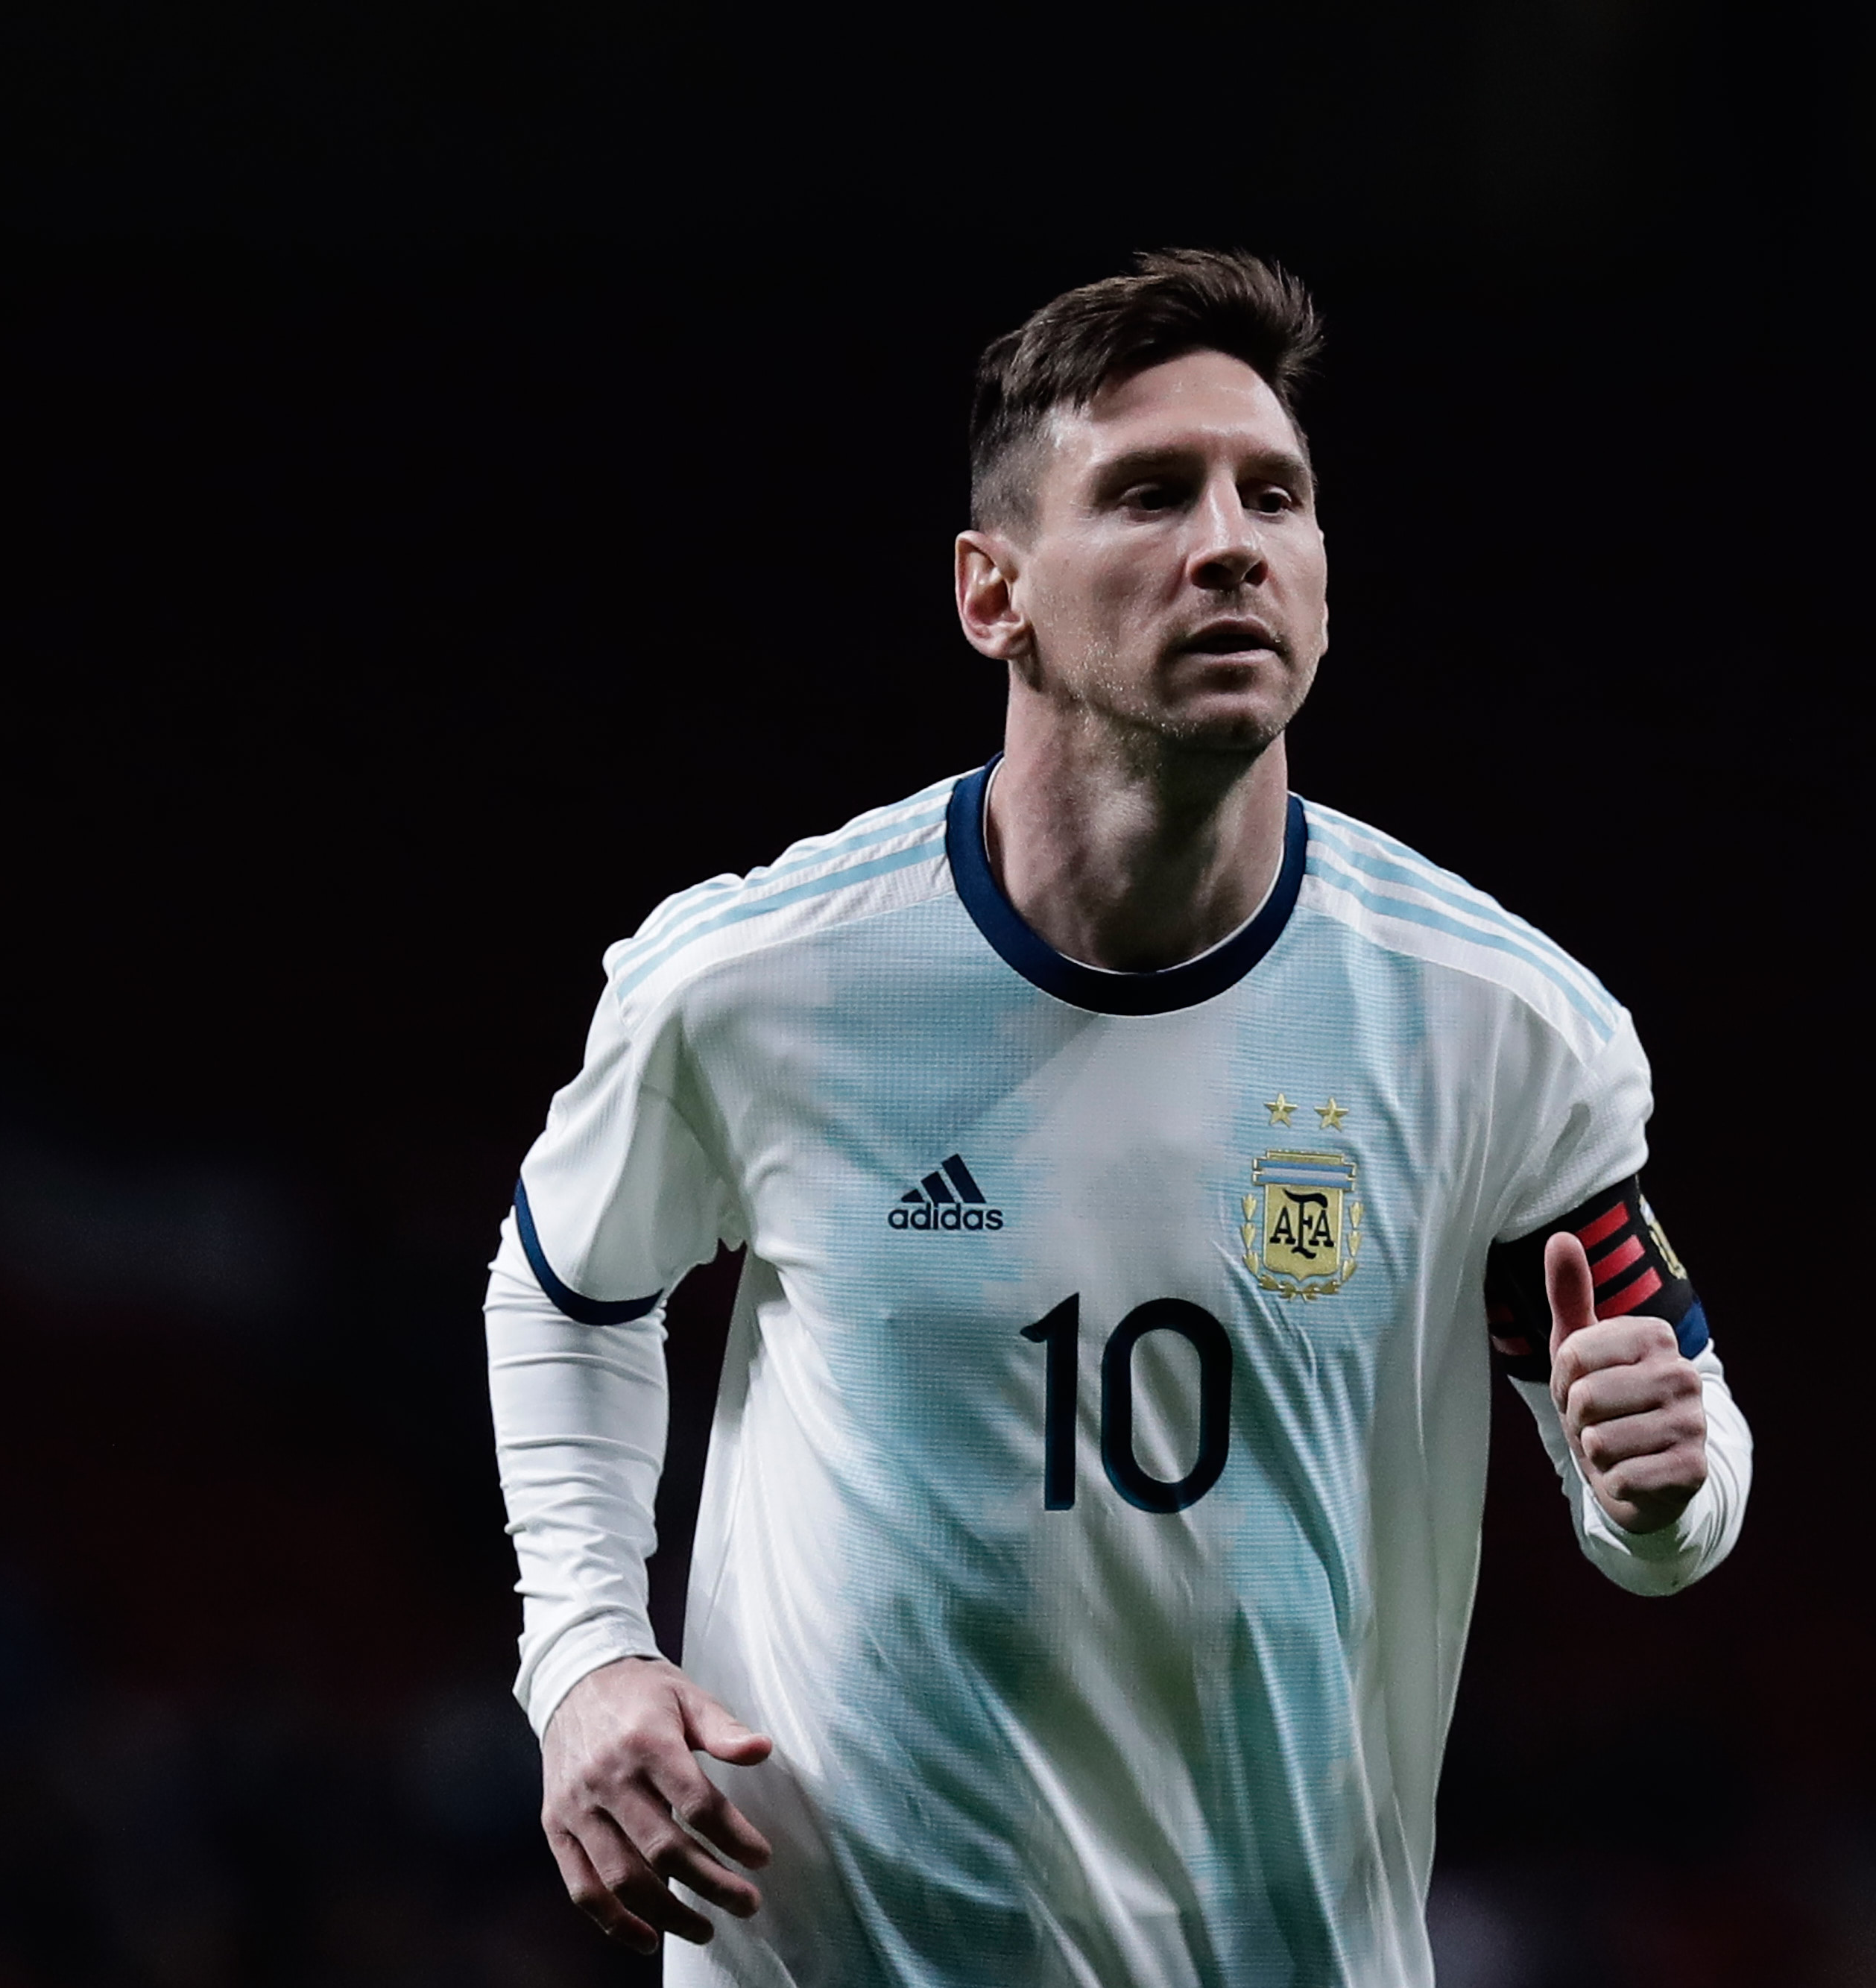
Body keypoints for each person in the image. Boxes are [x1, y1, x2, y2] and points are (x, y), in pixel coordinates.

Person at [484, 248, 1755, 1987]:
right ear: (989, 593)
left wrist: (1663, 1496)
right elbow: (564, 1288)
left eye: (1275, 496)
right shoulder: (759, 984)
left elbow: (1673, 1465)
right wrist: (583, 1660)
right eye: (1151, 493)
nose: (1229, 539)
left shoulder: (1497, 1026)